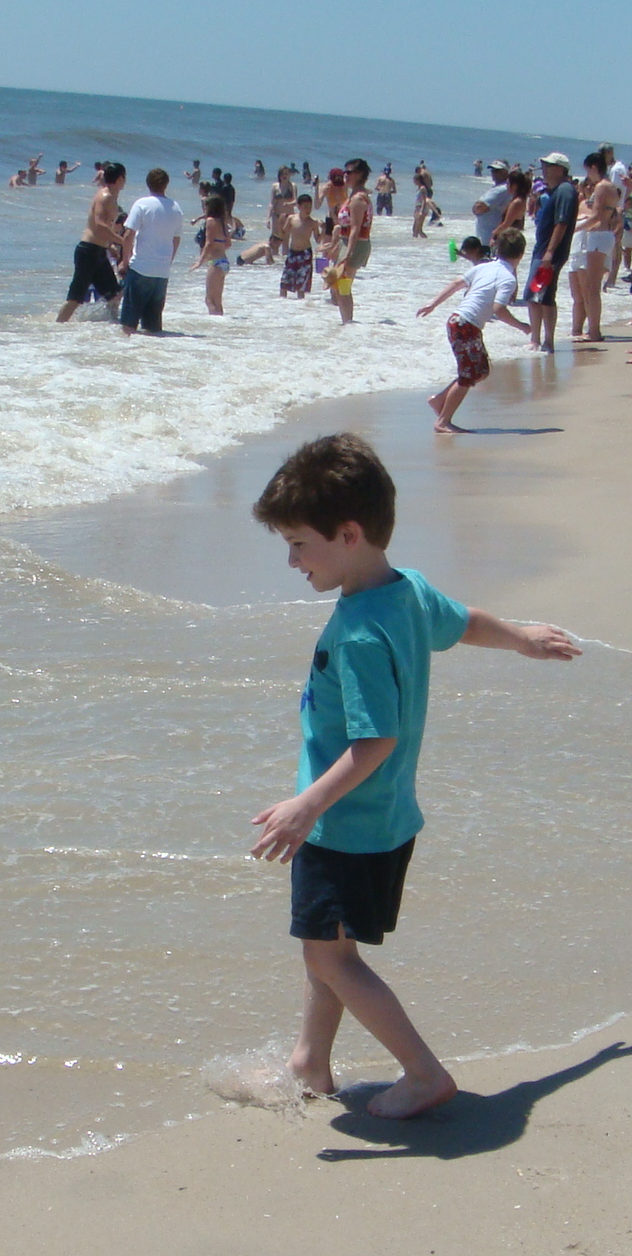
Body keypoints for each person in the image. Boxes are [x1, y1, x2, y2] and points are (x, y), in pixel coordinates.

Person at [247, 434, 579, 1119]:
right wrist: (520, 638)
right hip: (387, 819)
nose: (292, 561)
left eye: (299, 544)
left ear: (348, 534)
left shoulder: (361, 633)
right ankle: (310, 1063)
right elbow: (464, 623)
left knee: (330, 959)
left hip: (345, 824)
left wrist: (307, 805)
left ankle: (423, 1073)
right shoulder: (407, 593)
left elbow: (376, 740)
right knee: (327, 947)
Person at [417, 237, 529, 432]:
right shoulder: (508, 278)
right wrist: (522, 326)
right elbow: (499, 309)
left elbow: (456, 283)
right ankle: (443, 421)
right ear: (521, 254)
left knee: (481, 370)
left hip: (458, 321)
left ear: (497, 250)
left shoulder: (484, 267)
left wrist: (433, 304)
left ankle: (440, 400)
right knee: (468, 375)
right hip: (465, 325)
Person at [117, 168, 185, 336]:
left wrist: (124, 262)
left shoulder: (142, 204)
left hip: (140, 268)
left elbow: (128, 235)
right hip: (162, 272)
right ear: (166, 184)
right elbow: (176, 239)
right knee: (153, 327)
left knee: (128, 325)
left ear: (148, 184)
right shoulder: (176, 208)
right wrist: (167, 261)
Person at [57, 162, 128, 321]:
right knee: (75, 299)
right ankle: (57, 327)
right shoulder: (105, 196)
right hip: (88, 251)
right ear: (120, 179)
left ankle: (112, 325)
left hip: (99, 251)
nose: (125, 181)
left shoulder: (112, 197)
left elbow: (104, 227)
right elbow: (100, 225)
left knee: (115, 295)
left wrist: (109, 245)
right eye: (124, 178)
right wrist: (123, 241)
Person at [525, 153, 579, 351]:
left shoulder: (565, 190)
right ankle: (538, 339)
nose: (544, 169)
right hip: (543, 250)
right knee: (536, 295)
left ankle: (545, 341)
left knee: (542, 296)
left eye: (549, 166)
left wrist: (549, 252)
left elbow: (561, 223)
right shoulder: (556, 190)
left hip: (549, 252)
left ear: (561, 169)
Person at [568, 150, 622, 344]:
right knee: (591, 287)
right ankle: (592, 330)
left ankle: (594, 331)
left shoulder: (602, 186)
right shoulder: (610, 186)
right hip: (601, 236)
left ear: (593, 167)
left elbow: (597, 216)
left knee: (592, 288)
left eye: (587, 170)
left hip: (599, 235)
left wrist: (574, 229)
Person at [328, 157, 375, 324]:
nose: (345, 175)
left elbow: (356, 228)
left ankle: (347, 322)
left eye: (349, 172)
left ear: (359, 174)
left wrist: (347, 254)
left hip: (355, 244)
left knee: (343, 286)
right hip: (347, 243)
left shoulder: (358, 199)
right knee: (337, 286)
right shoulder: (354, 195)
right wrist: (336, 245)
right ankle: (347, 322)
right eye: (344, 172)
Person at [197, 193, 237, 315]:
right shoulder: (222, 222)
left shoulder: (210, 221)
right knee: (217, 301)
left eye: (206, 206)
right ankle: (220, 322)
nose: (204, 209)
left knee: (209, 300)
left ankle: (214, 324)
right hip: (224, 262)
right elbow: (228, 244)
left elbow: (208, 243)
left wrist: (199, 261)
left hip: (215, 263)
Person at [279, 193, 318, 298]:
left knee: (301, 285)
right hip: (293, 252)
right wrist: (281, 222)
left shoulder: (313, 222)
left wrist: (324, 231)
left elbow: (318, 239)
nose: (308, 209)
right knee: (284, 282)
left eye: (310, 207)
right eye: (305, 207)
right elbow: (283, 234)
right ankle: (280, 304)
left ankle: (300, 306)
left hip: (305, 254)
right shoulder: (291, 219)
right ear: (299, 207)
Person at [472, 161, 512, 248]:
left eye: (497, 171)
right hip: (491, 236)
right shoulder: (501, 188)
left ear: (505, 172)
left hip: (489, 237)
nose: (494, 173)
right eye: (493, 170)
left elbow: (479, 208)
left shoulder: (501, 190)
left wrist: (477, 206)